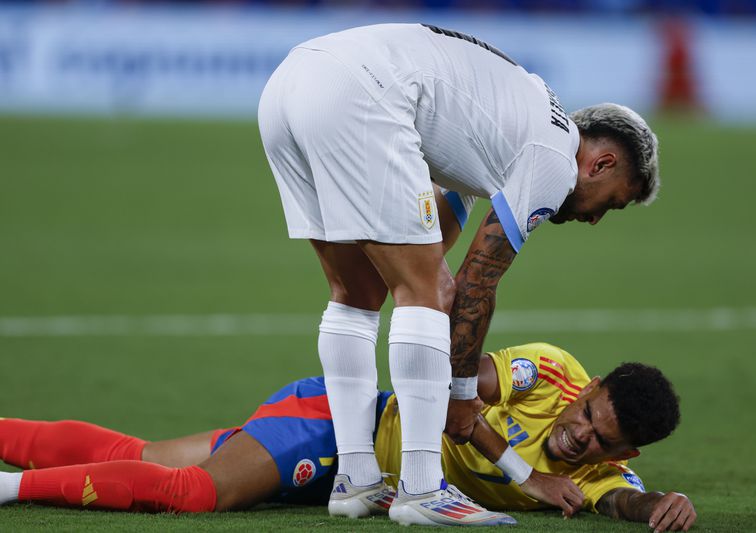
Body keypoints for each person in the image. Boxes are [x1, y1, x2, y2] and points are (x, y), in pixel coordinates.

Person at [258, 22, 660, 526]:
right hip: (359, 93)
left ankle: (357, 478)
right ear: (600, 163)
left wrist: (432, 281)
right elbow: (477, 281)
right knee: (419, 293)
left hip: (289, 84)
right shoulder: (554, 160)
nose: (596, 219)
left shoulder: (502, 127)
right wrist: (461, 396)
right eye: (612, 204)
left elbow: (435, 246)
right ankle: (423, 489)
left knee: (357, 291)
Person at [0, 342, 696, 532]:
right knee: (191, 494)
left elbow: (626, 503)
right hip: (341, 424)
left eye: (598, 440)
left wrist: (661, 503)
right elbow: (457, 387)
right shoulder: (548, 372)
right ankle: (8, 487)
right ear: (591, 385)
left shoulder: (606, 476)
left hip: (345, 466)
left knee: (138, 457)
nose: (577, 434)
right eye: (586, 412)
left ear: (622, 454)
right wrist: (525, 473)